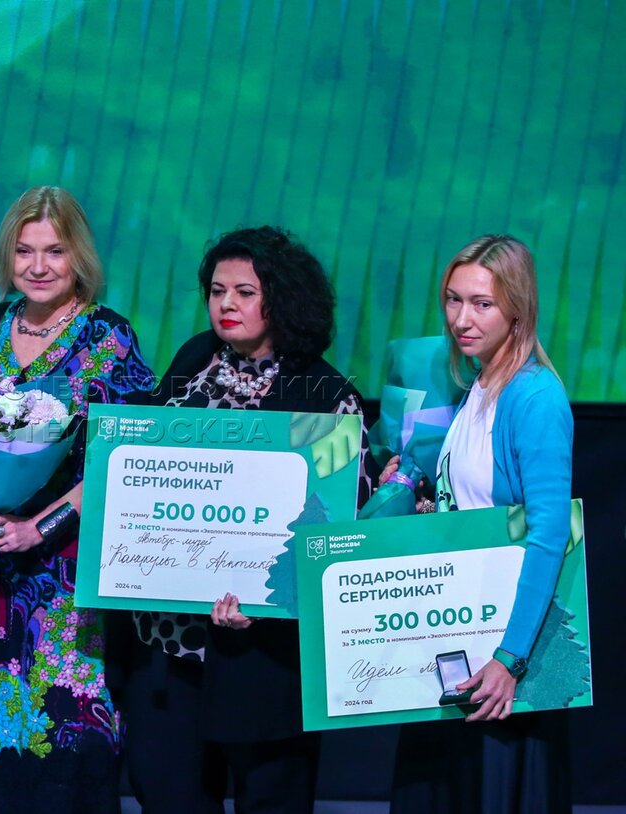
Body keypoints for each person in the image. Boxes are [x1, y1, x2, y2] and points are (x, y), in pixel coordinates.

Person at [122, 226, 375, 814]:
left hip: (266, 650)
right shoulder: (194, 358)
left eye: (244, 292)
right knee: (167, 791)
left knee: (271, 798)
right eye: (217, 291)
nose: (226, 304)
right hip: (173, 639)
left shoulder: (325, 395)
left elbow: (338, 534)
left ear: (283, 299)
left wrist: (268, 598)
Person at [0, 186, 155, 814]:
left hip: (67, 580)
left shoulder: (108, 337)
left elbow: (127, 461)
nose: (38, 265)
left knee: (67, 750)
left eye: (55, 251)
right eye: (25, 251)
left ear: (79, 257)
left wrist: (42, 526)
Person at [388, 235, 573, 814]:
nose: (461, 319)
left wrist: (510, 658)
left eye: (482, 304)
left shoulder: (534, 395)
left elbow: (549, 535)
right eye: (453, 299)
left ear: (518, 308)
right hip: (458, 638)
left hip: (503, 662)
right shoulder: (478, 387)